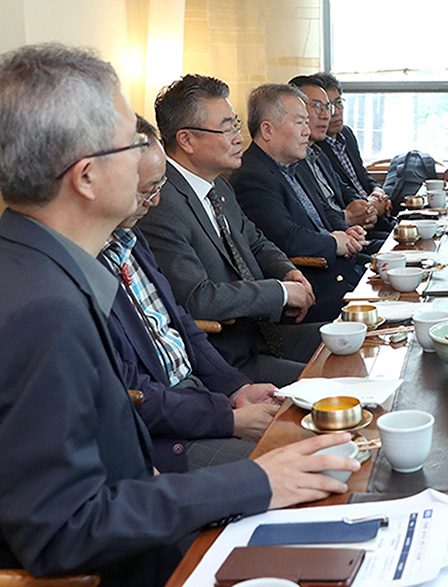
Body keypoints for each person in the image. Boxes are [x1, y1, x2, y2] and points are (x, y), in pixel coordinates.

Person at [0, 44, 358, 585]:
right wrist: (258, 481)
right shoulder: (43, 309)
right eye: (133, 144)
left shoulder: (41, 265)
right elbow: (65, 529)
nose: (154, 158)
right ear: (87, 177)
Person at [101, 118, 281, 473]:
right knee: (293, 467)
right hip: (167, 436)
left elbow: (180, 322)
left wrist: (236, 390)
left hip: (201, 396)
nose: (153, 202)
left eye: (160, 187)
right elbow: (132, 393)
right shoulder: (84, 266)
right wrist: (229, 419)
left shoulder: (130, 238)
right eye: (145, 190)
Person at [139, 74, 321, 387]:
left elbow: (256, 240)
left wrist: (287, 271)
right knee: (334, 381)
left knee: (356, 344)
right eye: (227, 128)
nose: (239, 137)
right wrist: (279, 292)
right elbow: (197, 299)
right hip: (229, 360)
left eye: (236, 125)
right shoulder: (161, 204)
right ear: (187, 140)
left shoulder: (218, 187)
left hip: (267, 335)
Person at [229, 83, 373, 322]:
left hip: (345, 266)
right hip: (317, 286)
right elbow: (286, 239)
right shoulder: (251, 176)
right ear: (267, 130)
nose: (307, 131)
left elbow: (326, 212)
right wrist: (333, 242)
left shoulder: (297, 164)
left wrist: (347, 231)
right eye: (300, 123)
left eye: (307, 122)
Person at [288, 74, 392, 238]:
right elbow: (317, 215)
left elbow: (347, 185)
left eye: (332, 105)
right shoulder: (296, 157)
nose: (329, 114)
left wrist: (374, 198)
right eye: (317, 106)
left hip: (359, 225)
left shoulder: (318, 150)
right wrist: (355, 215)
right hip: (342, 237)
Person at [311, 72, 392, 222]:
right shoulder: (315, 147)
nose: (335, 112)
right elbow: (340, 194)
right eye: (327, 106)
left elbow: (362, 175)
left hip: (372, 212)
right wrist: (371, 207)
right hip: (356, 222)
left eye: (338, 103)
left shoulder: (346, 134)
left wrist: (378, 192)